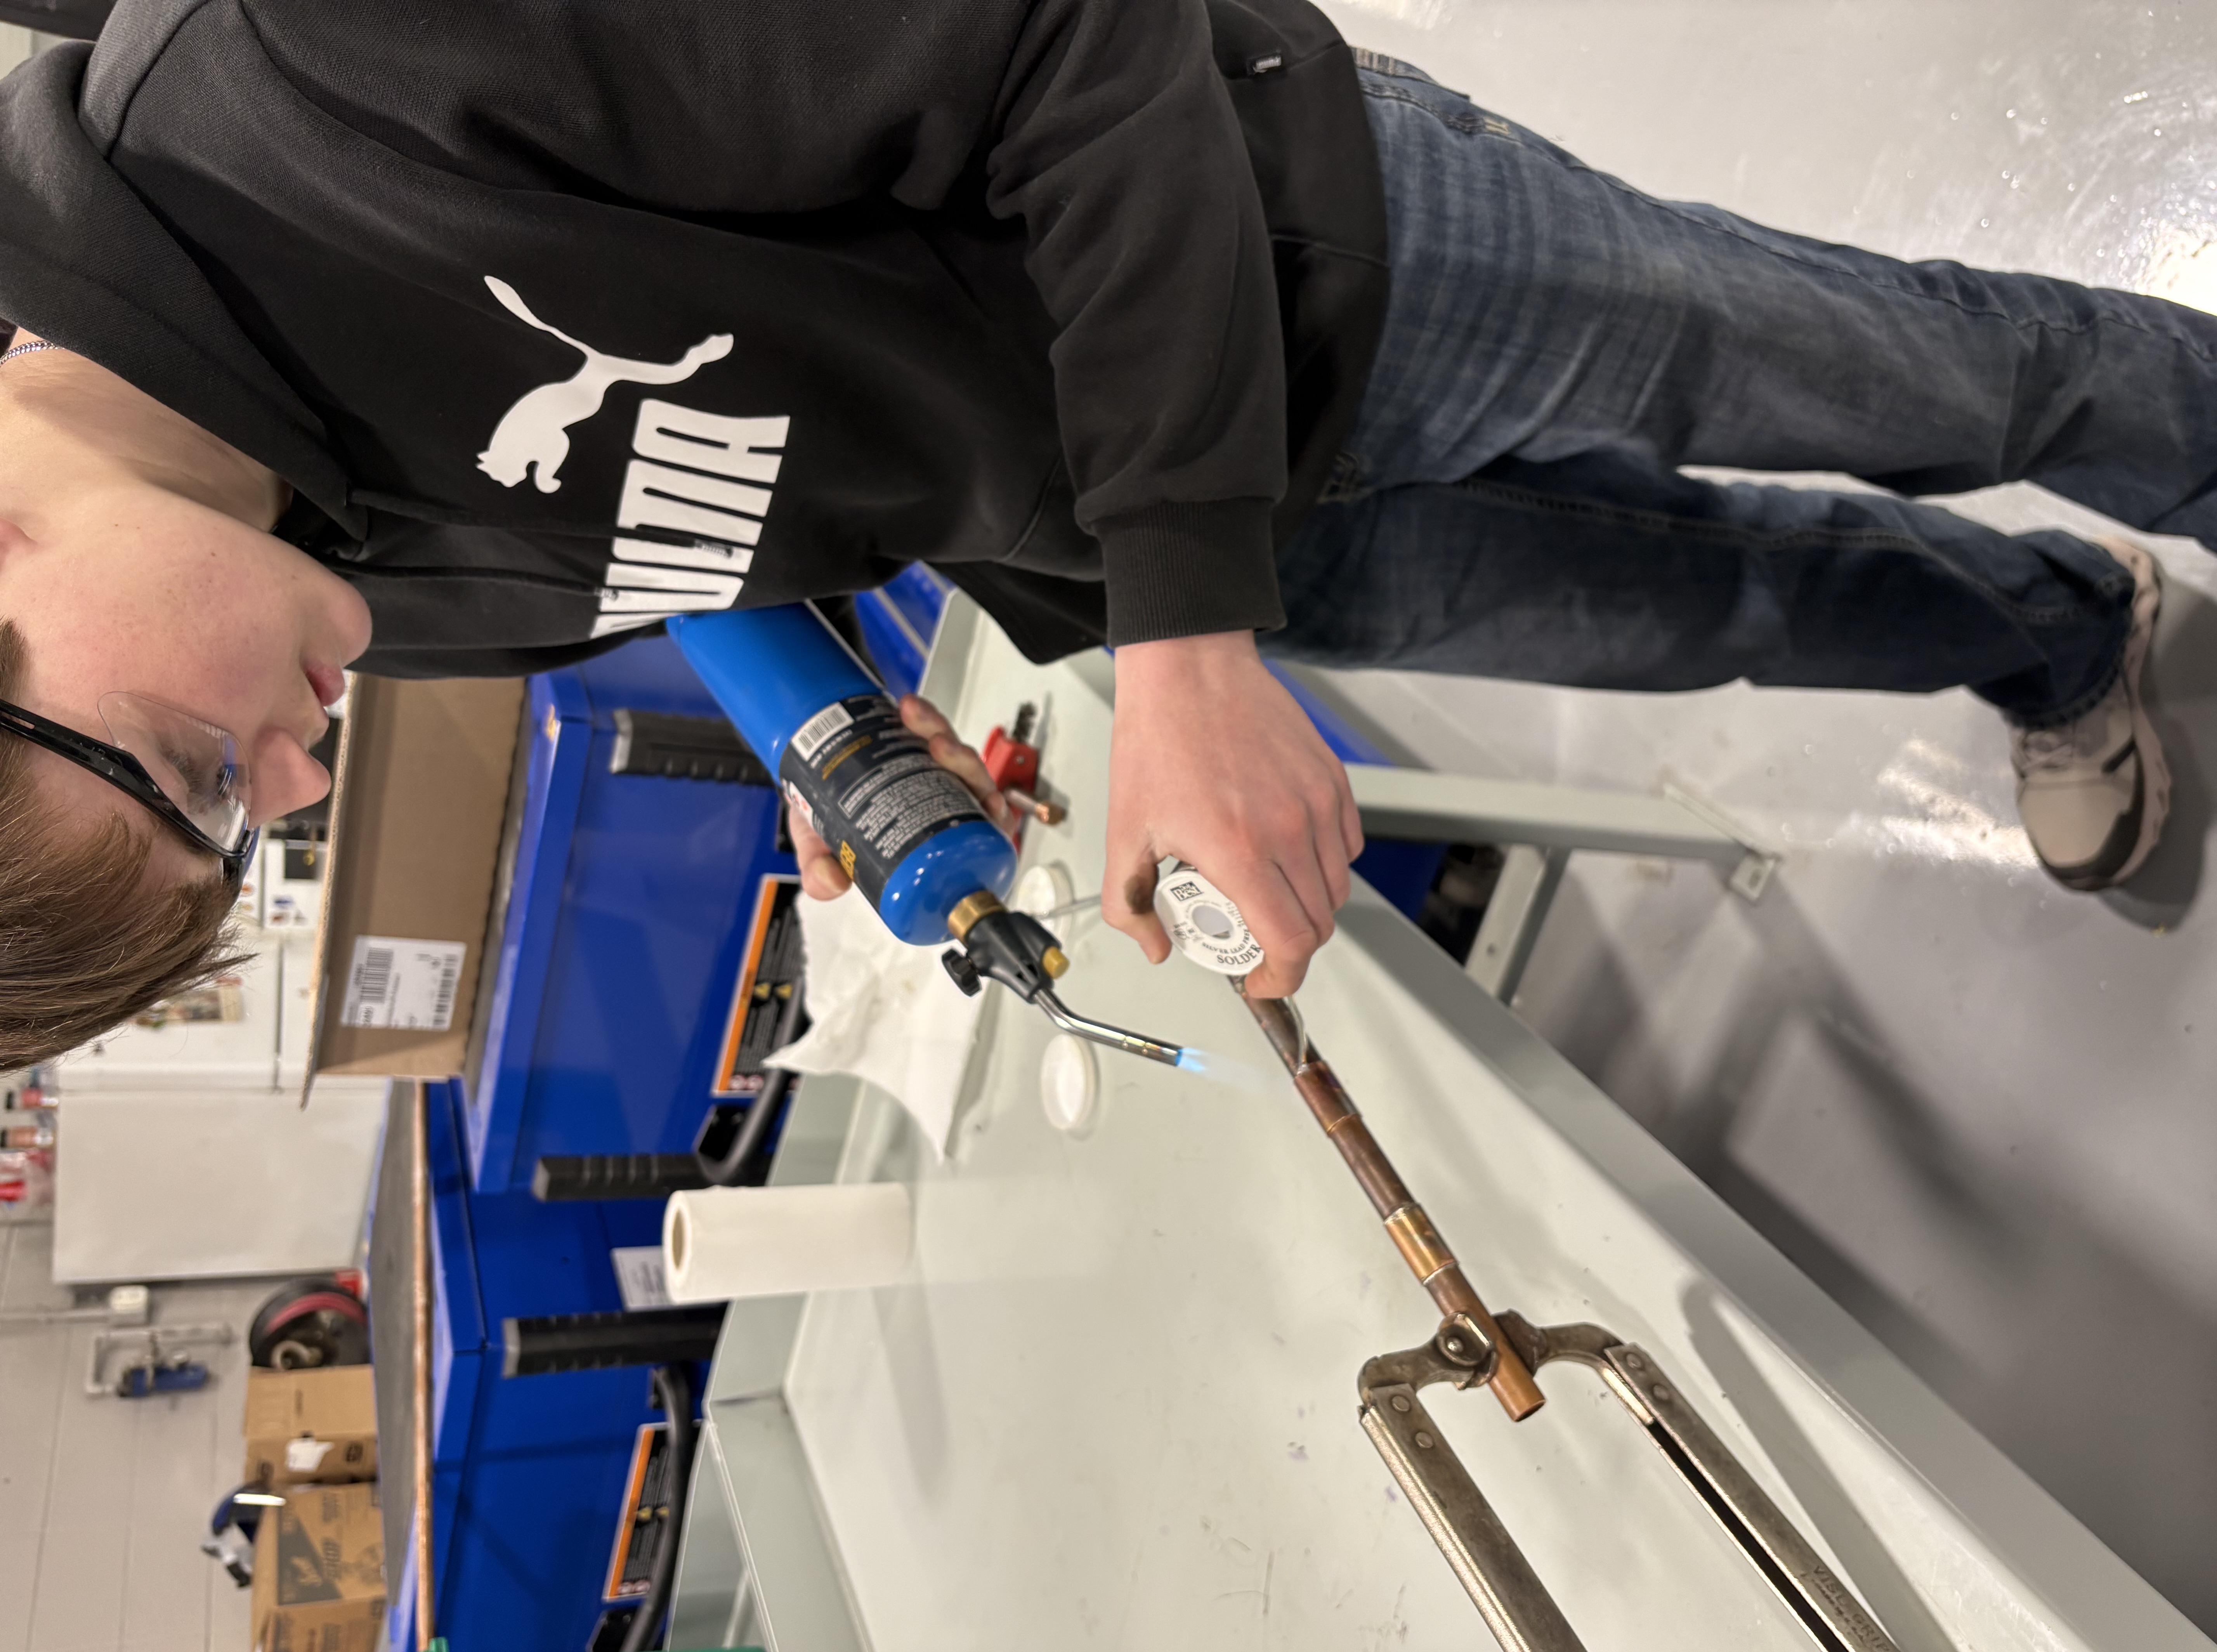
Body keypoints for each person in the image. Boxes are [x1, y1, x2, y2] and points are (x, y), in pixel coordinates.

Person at [0, 0, 2201, 1071]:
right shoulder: (296, 588)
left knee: (1940, 378)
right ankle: (2054, 634)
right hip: (1134, 550)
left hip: (1316, 259)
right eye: (252, 826)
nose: (294, 779)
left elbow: (1063, 35)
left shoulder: (318, 70)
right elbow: (673, 531)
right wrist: (846, 746)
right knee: (1698, 611)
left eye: (201, 778)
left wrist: (1188, 653)